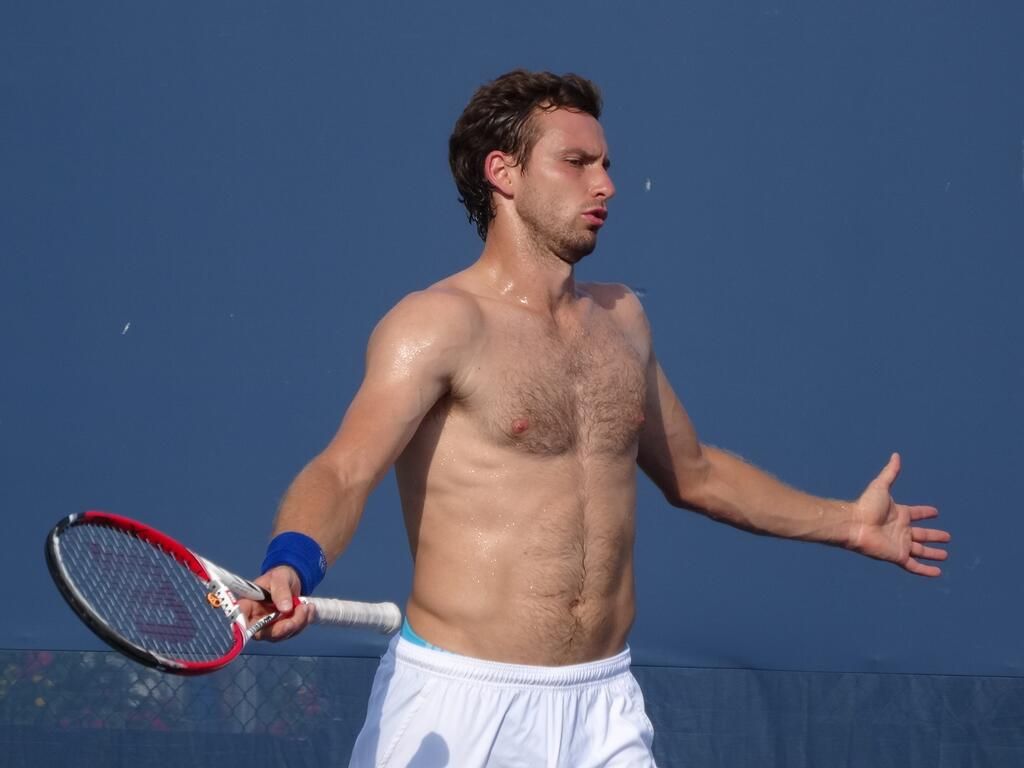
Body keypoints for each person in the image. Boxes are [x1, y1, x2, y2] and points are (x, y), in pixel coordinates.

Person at [247, 70, 950, 767]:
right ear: (504, 173)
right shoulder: (436, 324)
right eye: (576, 163)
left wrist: (849, 524)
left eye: (607, 165)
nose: (605, 185)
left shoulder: (623, 320)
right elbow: (344, 469)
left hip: (604, 705)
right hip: (460, 705)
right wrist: (291, 564)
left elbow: (695, 474)